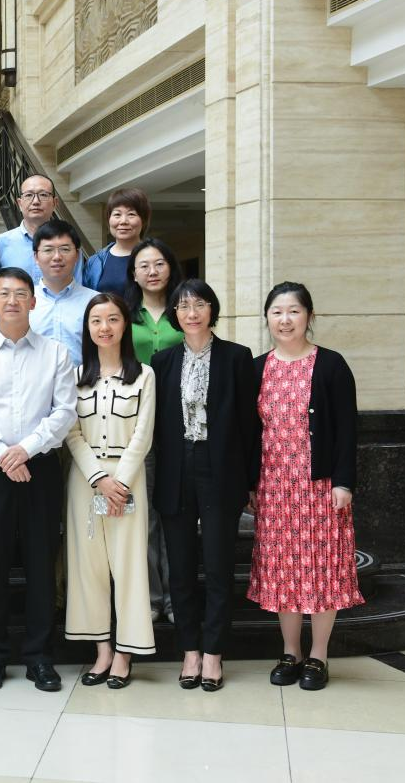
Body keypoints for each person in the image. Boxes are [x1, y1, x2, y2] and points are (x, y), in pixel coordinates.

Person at [0, 267, 75, 692]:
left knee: (42, 563)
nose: (12, 301)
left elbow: (64, 412)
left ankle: (40, 656)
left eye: (20, 293)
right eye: (4, 294)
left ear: (33, 302)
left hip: (40, 468)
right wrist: (5, 456)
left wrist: (25, 450)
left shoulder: (57, 353)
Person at [249, 282, 361, 692]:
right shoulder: (257, 368)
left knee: (322, 570)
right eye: (277, 312)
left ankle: (319, 655)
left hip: (321, 487)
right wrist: (251, 483)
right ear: (267, 318)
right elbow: (250, 433)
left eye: (294, 311)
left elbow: (347, 428)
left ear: (309, 317)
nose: (285, 320)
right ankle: (291, 652)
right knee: (283, 571)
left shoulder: (331, 365)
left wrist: (344, 481)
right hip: (275, 487)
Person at [150, 278, 260, 692]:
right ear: (174, 314)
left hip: (221, 470)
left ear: (212, 309)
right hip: (176, 470)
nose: (191, 313)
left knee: (217, 567)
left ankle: (213, 652)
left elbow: (249, 426)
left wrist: (251, 481)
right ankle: (190, 650)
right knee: (179, 569)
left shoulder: (237, 358)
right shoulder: (162, 362)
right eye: (183, 306)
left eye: (199, 304)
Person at [64, 292, 156, 688]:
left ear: (125, 325)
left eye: (113, 319)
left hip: (127, 481)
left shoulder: (144, 375)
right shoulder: (75, 376)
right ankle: (101, 650)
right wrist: (99, 479)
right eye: (97, 320)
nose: (105, 327)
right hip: (87, 481)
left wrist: (119, 482)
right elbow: (71, 432)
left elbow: (143, 434)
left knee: (129, 565)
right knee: (89, 567)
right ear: (87, 328)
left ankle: (125, 653)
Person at [125, 238, 184, 625]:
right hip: (137, 425)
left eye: (159, 263)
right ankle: (151, 596)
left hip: (180, 426)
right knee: (144, 517)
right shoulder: (125, 314)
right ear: (133, 273)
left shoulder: (186, 310)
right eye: (144, 265)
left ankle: (177, 597)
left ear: (170, 267)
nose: (152, 271)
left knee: (175, 516)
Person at [28, 219, 97, 366]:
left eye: (65, 249)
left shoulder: (95, 302)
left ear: (77, 255)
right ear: (36, 257)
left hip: (82, 379)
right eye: (48, 250)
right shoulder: (23, 301)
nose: (57, 257)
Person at [0, 175, 84, 284]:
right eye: (29, 195)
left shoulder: (69, 244)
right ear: (20, 204)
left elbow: (77, 288)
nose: (36, 201)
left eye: (43, 195)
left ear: (55, 203)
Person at [83, 188, 148, 294]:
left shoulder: (156, 257)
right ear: (109, 219)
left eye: (131, 214)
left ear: (143, 219)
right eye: (117, 214)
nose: (123, 221)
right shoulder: (95, 261)